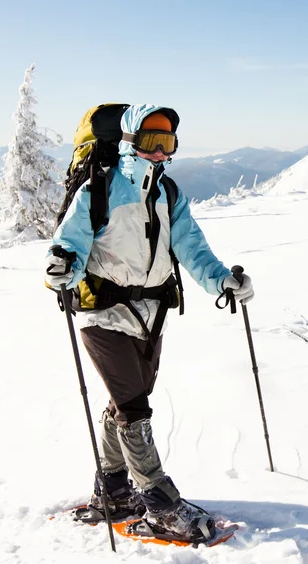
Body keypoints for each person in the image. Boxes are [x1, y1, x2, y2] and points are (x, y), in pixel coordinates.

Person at [45, 104, 254, 542]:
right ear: (129, 141)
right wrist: (61, 268)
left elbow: (192, 248)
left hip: (150, 316)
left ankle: (115, 492)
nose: (159, 153)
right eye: (150, 142)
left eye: (167, 144)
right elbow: (69, 243)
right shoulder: (99, 189)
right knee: (135, 409)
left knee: (126, 403)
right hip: (100, 313)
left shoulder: (168, 193)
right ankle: (160, 505)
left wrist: (224, 282)